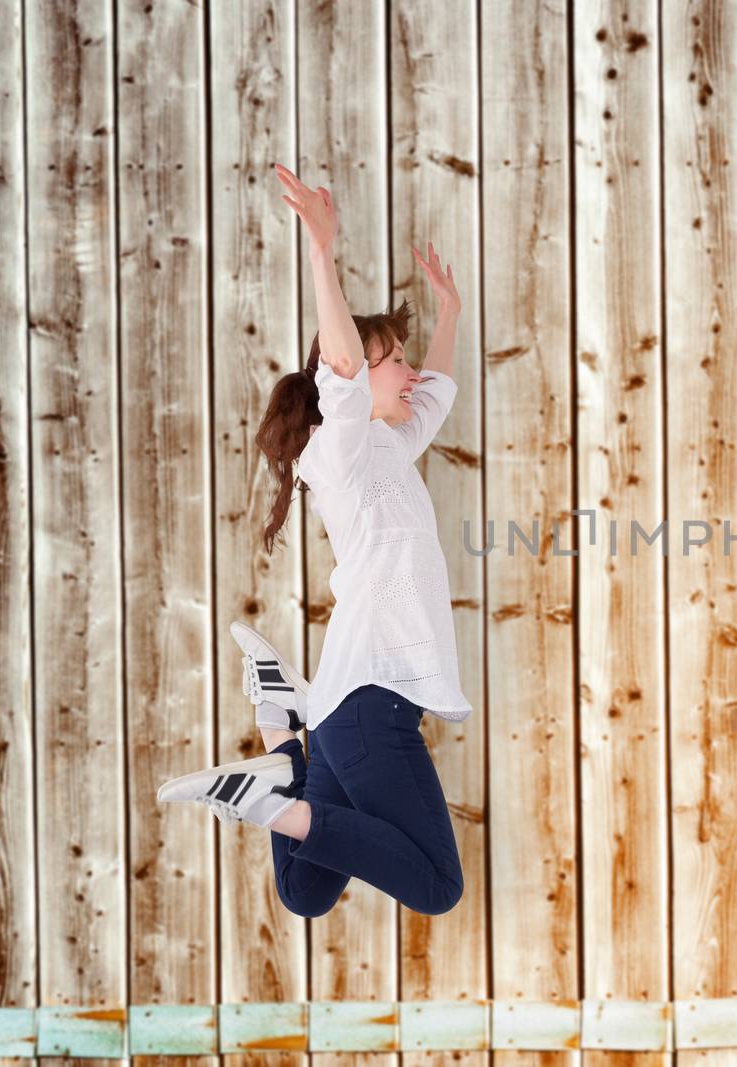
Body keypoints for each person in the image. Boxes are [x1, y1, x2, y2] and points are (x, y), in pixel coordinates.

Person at [157, 163, 467, 918]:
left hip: (338, 705)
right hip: (373, 701)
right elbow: (343, 369)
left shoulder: (391, 449)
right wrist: (322, 254)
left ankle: (277, 734)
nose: (410, 369)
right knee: (437, 885)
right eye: (395, 359)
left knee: (304, 890)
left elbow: (437, 391)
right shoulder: (342, 449)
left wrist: (450, 311)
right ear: (361, 378)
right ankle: (269, 792)